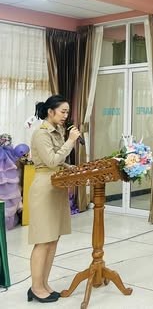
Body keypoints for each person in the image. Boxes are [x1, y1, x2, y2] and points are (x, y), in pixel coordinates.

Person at [27, 95, 81, 303]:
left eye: (67, 112)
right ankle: (35, 288)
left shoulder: (57, 131)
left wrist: (72, 168)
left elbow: (58, 161)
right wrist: (70, 141)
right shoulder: (41, 134)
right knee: (43, 240)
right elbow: (50, 161)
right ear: (50, 112)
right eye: (63, 112)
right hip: (44, 189)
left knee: (53, 239)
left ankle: (44, 284)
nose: (66, 116)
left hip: (57, 186)